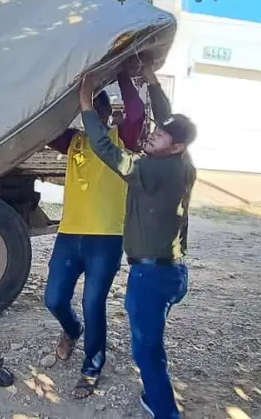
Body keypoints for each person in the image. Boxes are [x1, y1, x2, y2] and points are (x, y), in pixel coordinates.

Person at [79, 64, 197, 419]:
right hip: (172, 273)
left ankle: (164, 411)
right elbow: (166, 119)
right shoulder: (183, 160)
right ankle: (155, 394)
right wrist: (153, 82)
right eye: (156, 131)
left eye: (159, 136)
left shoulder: (151, 170)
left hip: (151, 279)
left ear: (174, 146)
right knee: (150, 342)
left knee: (147, 350)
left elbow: (105, 148)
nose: (151, 136)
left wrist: (86, 105)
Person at [44, 62, 145, 399]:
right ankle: (72, 331)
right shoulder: (73, 142)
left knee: (93, 301)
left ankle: (92, 366)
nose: (92, 116)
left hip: (105, 239)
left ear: (105, 113)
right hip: (69, 236)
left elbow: (136, 114)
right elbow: (45, 126)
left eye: (97, 108)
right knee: (54, 298)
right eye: (87, 108)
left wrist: (121, 73)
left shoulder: (122, 141)